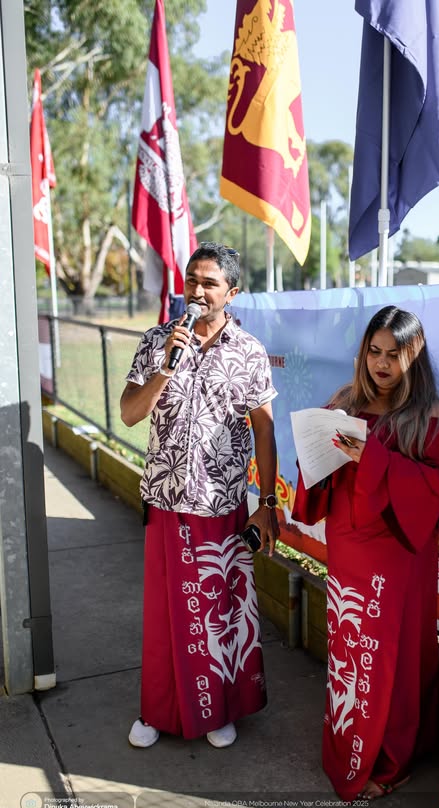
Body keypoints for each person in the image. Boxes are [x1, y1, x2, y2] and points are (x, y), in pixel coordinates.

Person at [292, 306, 439, 802]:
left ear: (416, 357)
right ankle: (350, 745)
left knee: (394, 656)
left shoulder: (432, 414)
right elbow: (317, 470)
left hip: (400, 550)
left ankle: (390, 758)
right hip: (349, 543)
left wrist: (373, 456)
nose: (382, 364)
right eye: (374, 352)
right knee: (351, 653)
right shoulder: (344, 401)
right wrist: (319, 445)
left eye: (394, 354)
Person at [120, 242, 279, 750]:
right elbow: (128, 413)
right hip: (166, 501)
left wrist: (267, 503)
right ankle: (158, 711)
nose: (198, 290)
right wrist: (167, 366)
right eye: (193, 279)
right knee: (167, 614)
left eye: (210, 283)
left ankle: (218, 709)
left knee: (218, 614)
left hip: (221, 506)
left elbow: (265, 431)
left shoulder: (250, 352)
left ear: (233, 292)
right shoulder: (157, 341)